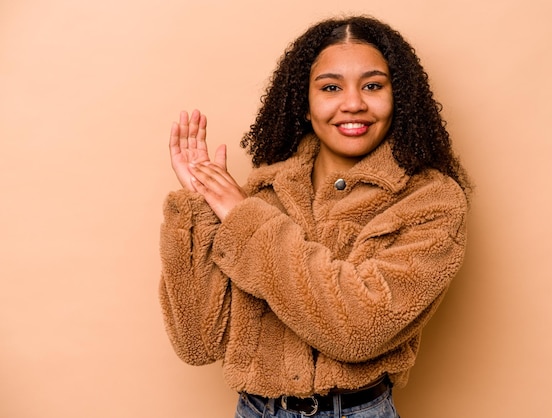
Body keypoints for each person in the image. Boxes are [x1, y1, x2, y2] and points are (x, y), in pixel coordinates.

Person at [159, 15, 471, 418]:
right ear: (304, 105)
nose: (354, 103)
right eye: (330, 88)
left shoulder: (431, 201)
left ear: (401, 99)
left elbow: (358, 330)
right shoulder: (260, 194)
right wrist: (200, 205)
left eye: (373, 86)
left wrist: (243, 220)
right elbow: (197, 343)